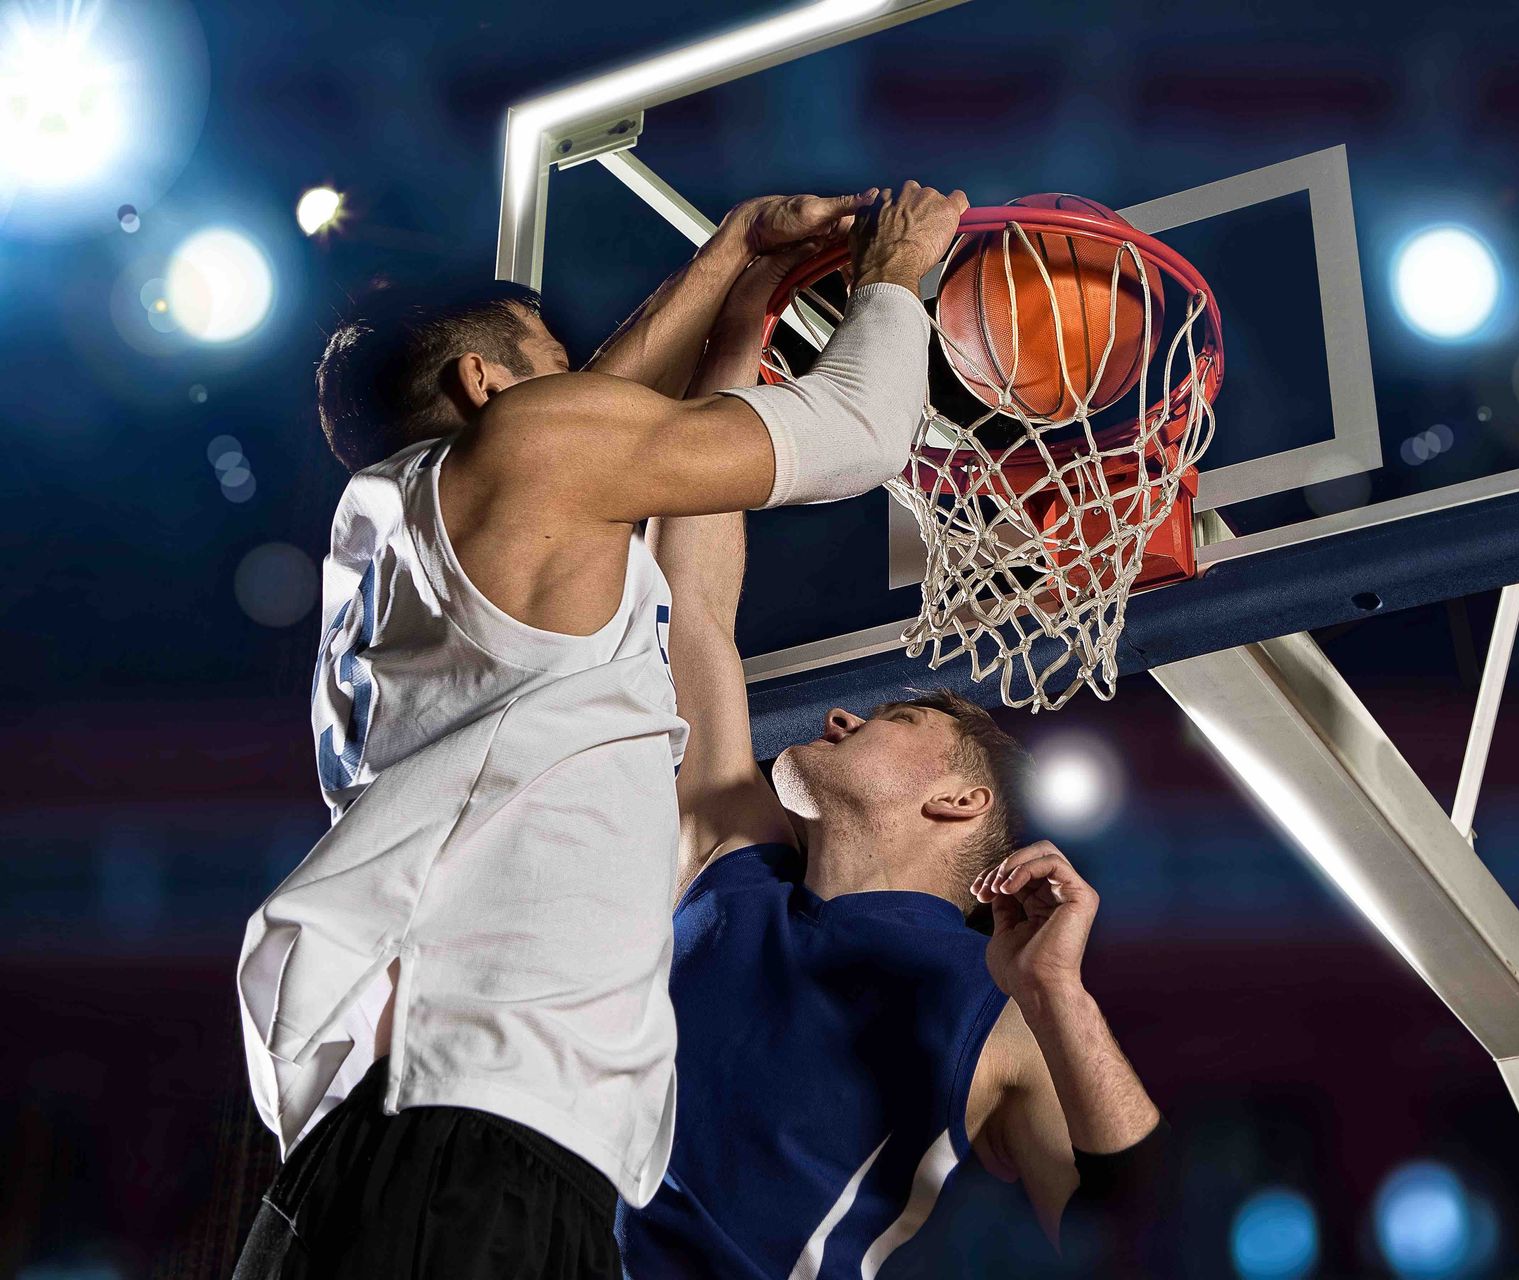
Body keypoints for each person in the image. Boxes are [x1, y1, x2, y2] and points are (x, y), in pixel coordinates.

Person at [231, 182, 969, 1280]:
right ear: (485, 385)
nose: (593, 391)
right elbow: (858, 432)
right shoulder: (525, 456)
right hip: (469, 1138)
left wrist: (733, 277)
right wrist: (896, 271)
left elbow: (608, 423)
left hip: (414, 1141)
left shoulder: (400, 539)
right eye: (557, 363)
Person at [615, 266, 1166, 1278]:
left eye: (893, 717)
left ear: (959, 800)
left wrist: (1059, 993)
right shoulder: (731, 859)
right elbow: (689, 602)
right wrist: (741, 323)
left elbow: (1127, 1230)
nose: (838, 714)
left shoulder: (1000, 1011)